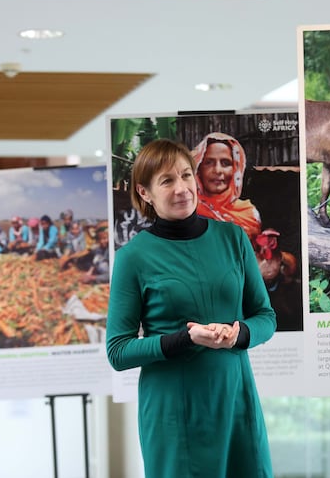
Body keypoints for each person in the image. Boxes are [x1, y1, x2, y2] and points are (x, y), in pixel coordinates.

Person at [106, 138, 276, 478]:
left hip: (235, 398)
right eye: (167, 181)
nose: (182, 188)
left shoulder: (233, 238)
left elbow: (265, 317)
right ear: (145, 192)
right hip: (173, 409)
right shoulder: (132, 258)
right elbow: (118, 351)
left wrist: (240, 333)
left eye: (186, 175)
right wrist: (186, 338)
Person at [192, 132, 262, 240]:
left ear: (235, 169)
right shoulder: (188, 210)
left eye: (225, 163)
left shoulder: (249, 213)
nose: (217, 170)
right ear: (199, 169)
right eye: (209, 162)